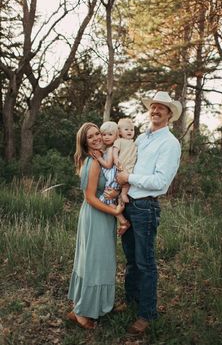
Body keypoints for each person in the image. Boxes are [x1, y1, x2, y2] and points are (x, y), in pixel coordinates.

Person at [116, 91, 182, 336]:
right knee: (131, 258)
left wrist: (129, 178)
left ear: (169, 114)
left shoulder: (170, 143)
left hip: (146, 207)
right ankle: (132, 301)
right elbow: (127, 161)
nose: (155, 111)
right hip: (129, 203)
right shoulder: (142, 138)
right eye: (153, 107)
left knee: (145, 261)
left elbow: (161, 181)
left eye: (161, 108)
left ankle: (146, 314)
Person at [67, 122, 124, 329]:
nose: (97, 138)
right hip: (97, 214)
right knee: (95, 262)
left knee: (96, 260)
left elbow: (106, 186)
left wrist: (116, 194)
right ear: (85, 142)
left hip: (99, 213)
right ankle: (82, 312)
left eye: (97, 133)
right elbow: (90, 197)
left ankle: (98, 305)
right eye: (90, 137)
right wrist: (116, 211)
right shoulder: (94, 162)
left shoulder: (100, 158)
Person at [95, 121, 130, 235]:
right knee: (109, 199)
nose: (106, 137)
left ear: (116, 135)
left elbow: (109, 165)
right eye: (104, 134)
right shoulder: (108, 148)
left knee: (106, 199)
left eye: (110, 134)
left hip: (112, 177)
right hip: (111, 177)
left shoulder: (111, 149)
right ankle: (122, 220)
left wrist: (99, 158)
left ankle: (123, 221)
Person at [113, 118, 137, 203]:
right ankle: (122, 194)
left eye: (132, 129)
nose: (129, 131)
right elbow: (115, 151)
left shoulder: (134, 143)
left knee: (128, 182)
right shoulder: (119, 141)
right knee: (123, 181)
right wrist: (116, 160)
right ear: (120, 132)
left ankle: (121, 196)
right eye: (126, 129)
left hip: (131, 166)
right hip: (122, 165)